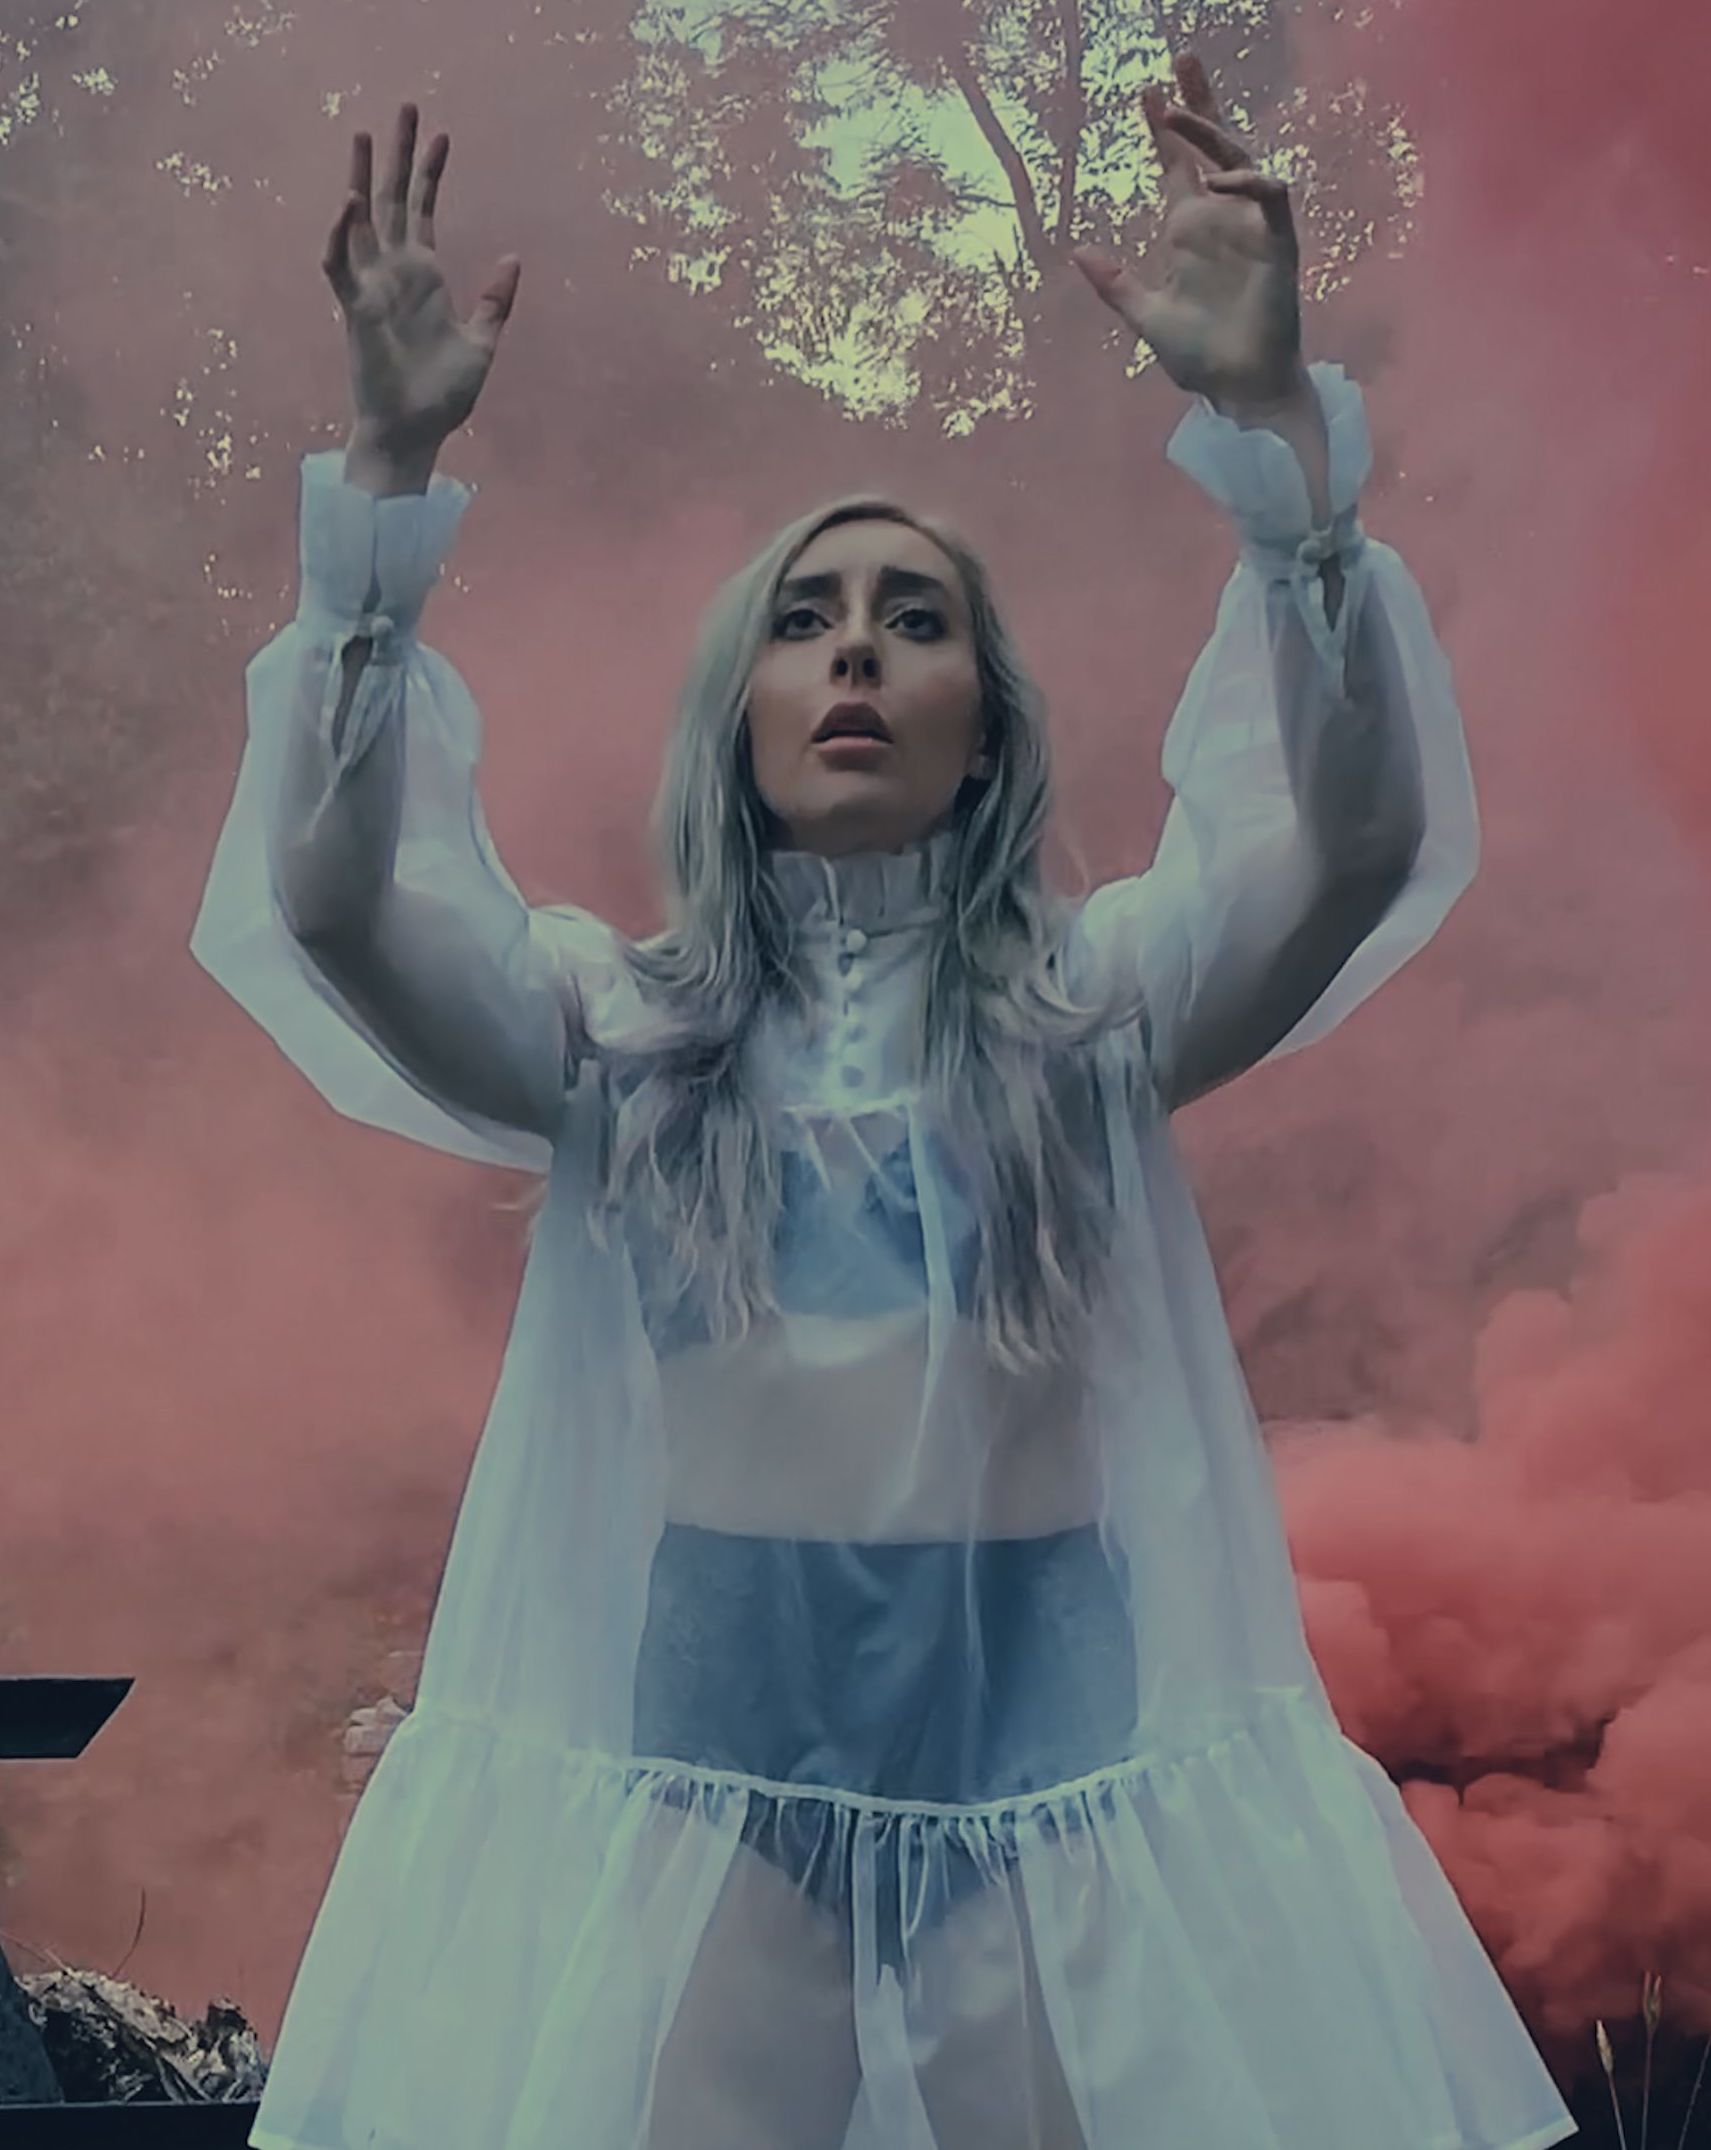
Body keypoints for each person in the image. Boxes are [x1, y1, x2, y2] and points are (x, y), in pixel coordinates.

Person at [191, 54, 1578, 2150]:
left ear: (983, 727)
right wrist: (380, 493)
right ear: (738, 716)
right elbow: (333, 909)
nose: (854, 651)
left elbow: (1360, 843)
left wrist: (1287, 456)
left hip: (1048, 1783)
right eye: (805, 621)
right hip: (715, 1781)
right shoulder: (615, 1032)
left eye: (913, 621)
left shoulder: (1095, 1014)